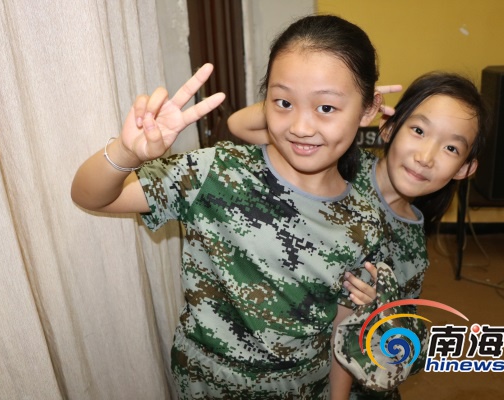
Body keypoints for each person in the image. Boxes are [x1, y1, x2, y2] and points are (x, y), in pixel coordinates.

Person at [72, 14, 411, 399]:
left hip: (306, 387)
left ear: (368, 109)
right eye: (283, 102)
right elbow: (92, 196)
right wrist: (125, 152)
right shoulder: (215, 171)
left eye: (326, 108)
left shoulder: (363, 218)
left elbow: (342, 326)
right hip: (208, 384)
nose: (301, 126)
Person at [228, 71, 489, 399]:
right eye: (419, 131)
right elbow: (240, 125)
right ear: (389, 127)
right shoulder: (335, 164)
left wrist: (380, 314)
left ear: (464, 168)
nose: (425, 157)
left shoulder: (412, 252)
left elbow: (393, 353)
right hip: (280, 358)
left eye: (451, 147)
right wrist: (339, 101)